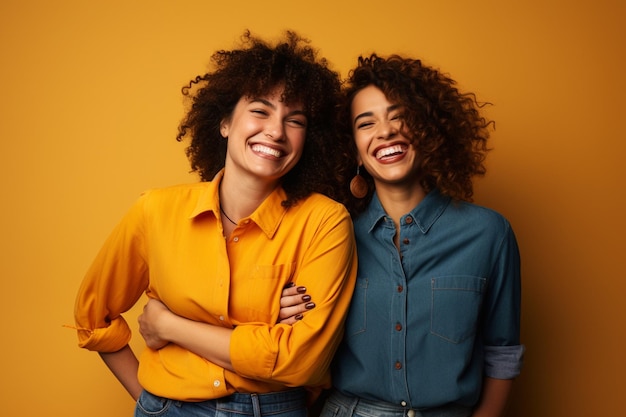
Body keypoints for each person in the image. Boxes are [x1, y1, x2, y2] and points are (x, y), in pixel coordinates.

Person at [73, 30, 358, 417]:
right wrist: (148, 398)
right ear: (224, 123)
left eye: (295, 120)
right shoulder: (155, 210)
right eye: (260, 111)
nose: (275, 131)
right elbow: (94, 317)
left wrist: (170, 325)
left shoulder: (324, 221)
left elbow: (300, 361)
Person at [280, 54, 524, 417]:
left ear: (427, 130)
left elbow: (501, 351)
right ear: (355, 150)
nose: (385, 131)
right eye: (366, 123)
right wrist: (279, 308)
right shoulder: (330, 234)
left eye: (399, 116)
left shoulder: (489, 233)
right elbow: (300, 340)